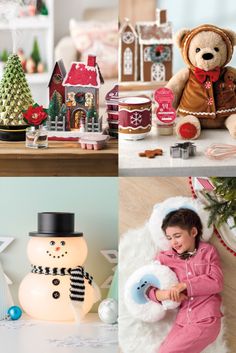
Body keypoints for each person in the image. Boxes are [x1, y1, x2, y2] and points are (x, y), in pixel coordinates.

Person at [147, 208, 223, 353]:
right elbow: (147, 288)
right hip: (182, 322)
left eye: (177, 236)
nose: (173, 242)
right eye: (169, 238)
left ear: (193, 232)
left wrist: (184, 285)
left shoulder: (207, 252)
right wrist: (166, 294)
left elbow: (216, 282)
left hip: (205, 319)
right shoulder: (164, 258)